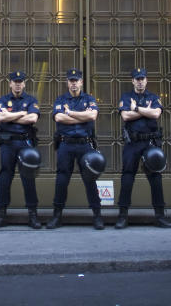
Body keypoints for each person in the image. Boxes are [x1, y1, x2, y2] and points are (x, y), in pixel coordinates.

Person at [45, 68, 104, 230]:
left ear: (81, 82)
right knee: (62, 180)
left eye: (76, 80)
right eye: (71, 80)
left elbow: (92, 116)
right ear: (67, 82)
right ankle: (57, 216)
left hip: (85, 144)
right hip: (66, 144)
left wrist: (70, 113)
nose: (73, 83)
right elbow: (58, 118)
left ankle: (97, 216)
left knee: (90, 180)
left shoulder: (89, 99)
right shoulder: (60, 99)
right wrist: (81, 116)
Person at [115, 68, 171, 229]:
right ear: (132, 81)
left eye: (142, 78)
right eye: (137, 79)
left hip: (150, 143)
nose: (140, 81)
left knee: (155, 178)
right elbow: (125, 116)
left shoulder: (153, 97)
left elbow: (156, 114)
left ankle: (160, 216)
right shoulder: (126, 97)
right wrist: (145, 111)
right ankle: (122, 216)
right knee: (127, 178)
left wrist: (136, 109)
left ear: (146, 80)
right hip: (132, 142)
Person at [0, 70, 42, 230]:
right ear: (10, 83)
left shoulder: (31, 100)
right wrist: (21, 114)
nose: (18, 84)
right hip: (8, 144)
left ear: (24, 84)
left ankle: (33, 214)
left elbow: (33, 118)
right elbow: (1, 118)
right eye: (15, 81)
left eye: (20, 81)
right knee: (5, 177)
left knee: (28, 178)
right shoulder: (3, 100)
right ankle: (1, 213)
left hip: (25, 143)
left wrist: (10, 116)